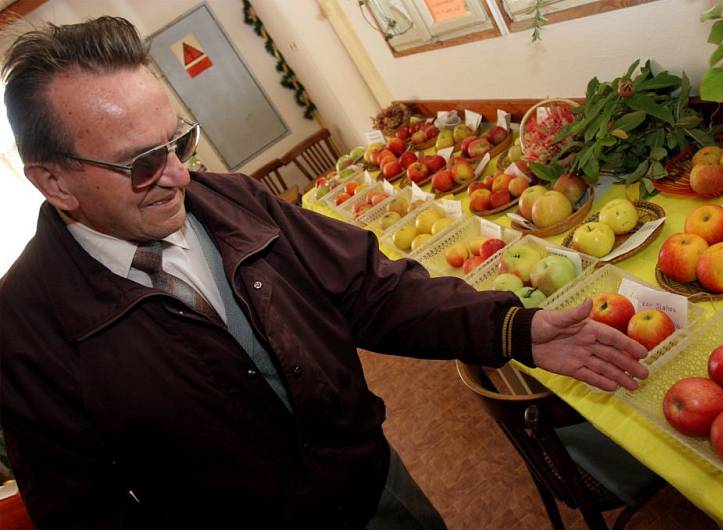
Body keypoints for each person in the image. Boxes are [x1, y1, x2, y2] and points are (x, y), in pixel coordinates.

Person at [0, 17, 648, 529]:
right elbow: (84, 512)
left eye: (179, 143)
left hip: (378, 488)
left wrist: (512, 329)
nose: (176, 175)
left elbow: (372, 288)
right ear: (53, 180)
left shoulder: (234, 201)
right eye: (141, 162)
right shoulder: (25, 329)